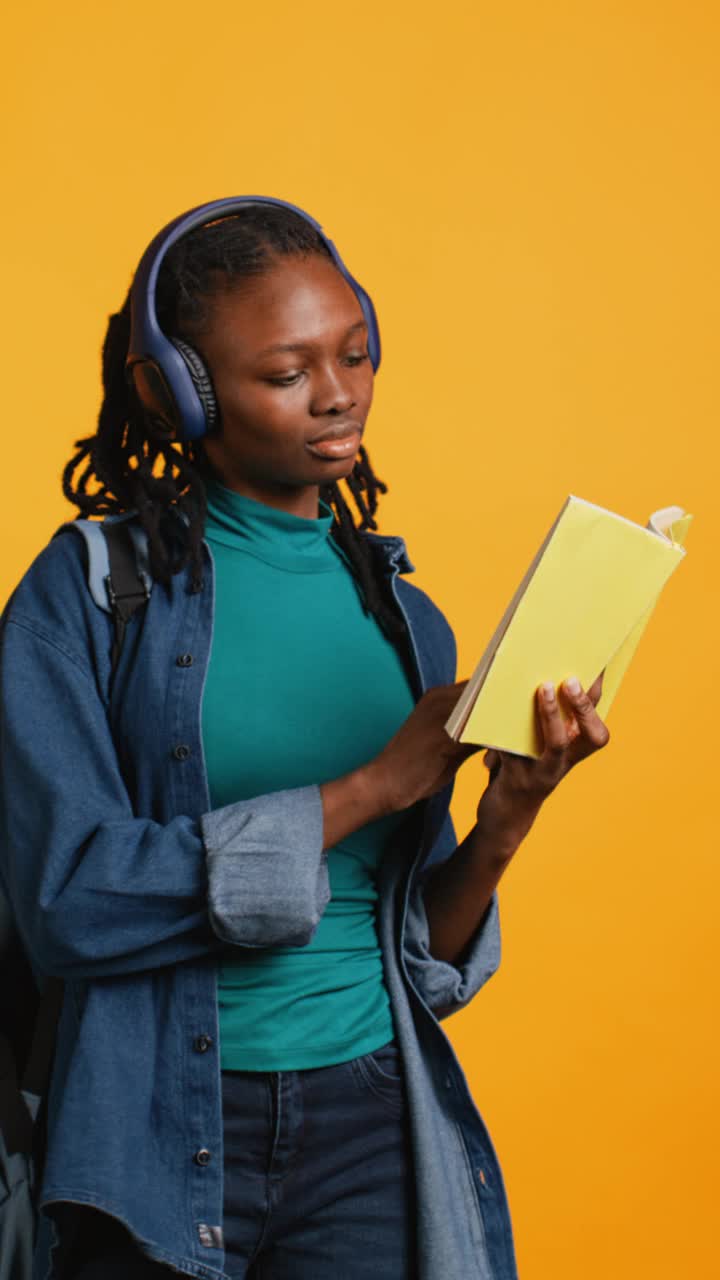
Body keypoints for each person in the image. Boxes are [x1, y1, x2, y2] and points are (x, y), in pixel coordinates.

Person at [0, 198, 609, 1280]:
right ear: (176, 392)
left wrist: (512, 812)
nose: (338, 396)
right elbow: (68, 898)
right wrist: (369, 786)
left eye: (357, 352)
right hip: (153, 1125)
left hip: (370, 1122)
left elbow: (415, 950)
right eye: (285, 374)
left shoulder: (402, 615)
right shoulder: (89, 596)